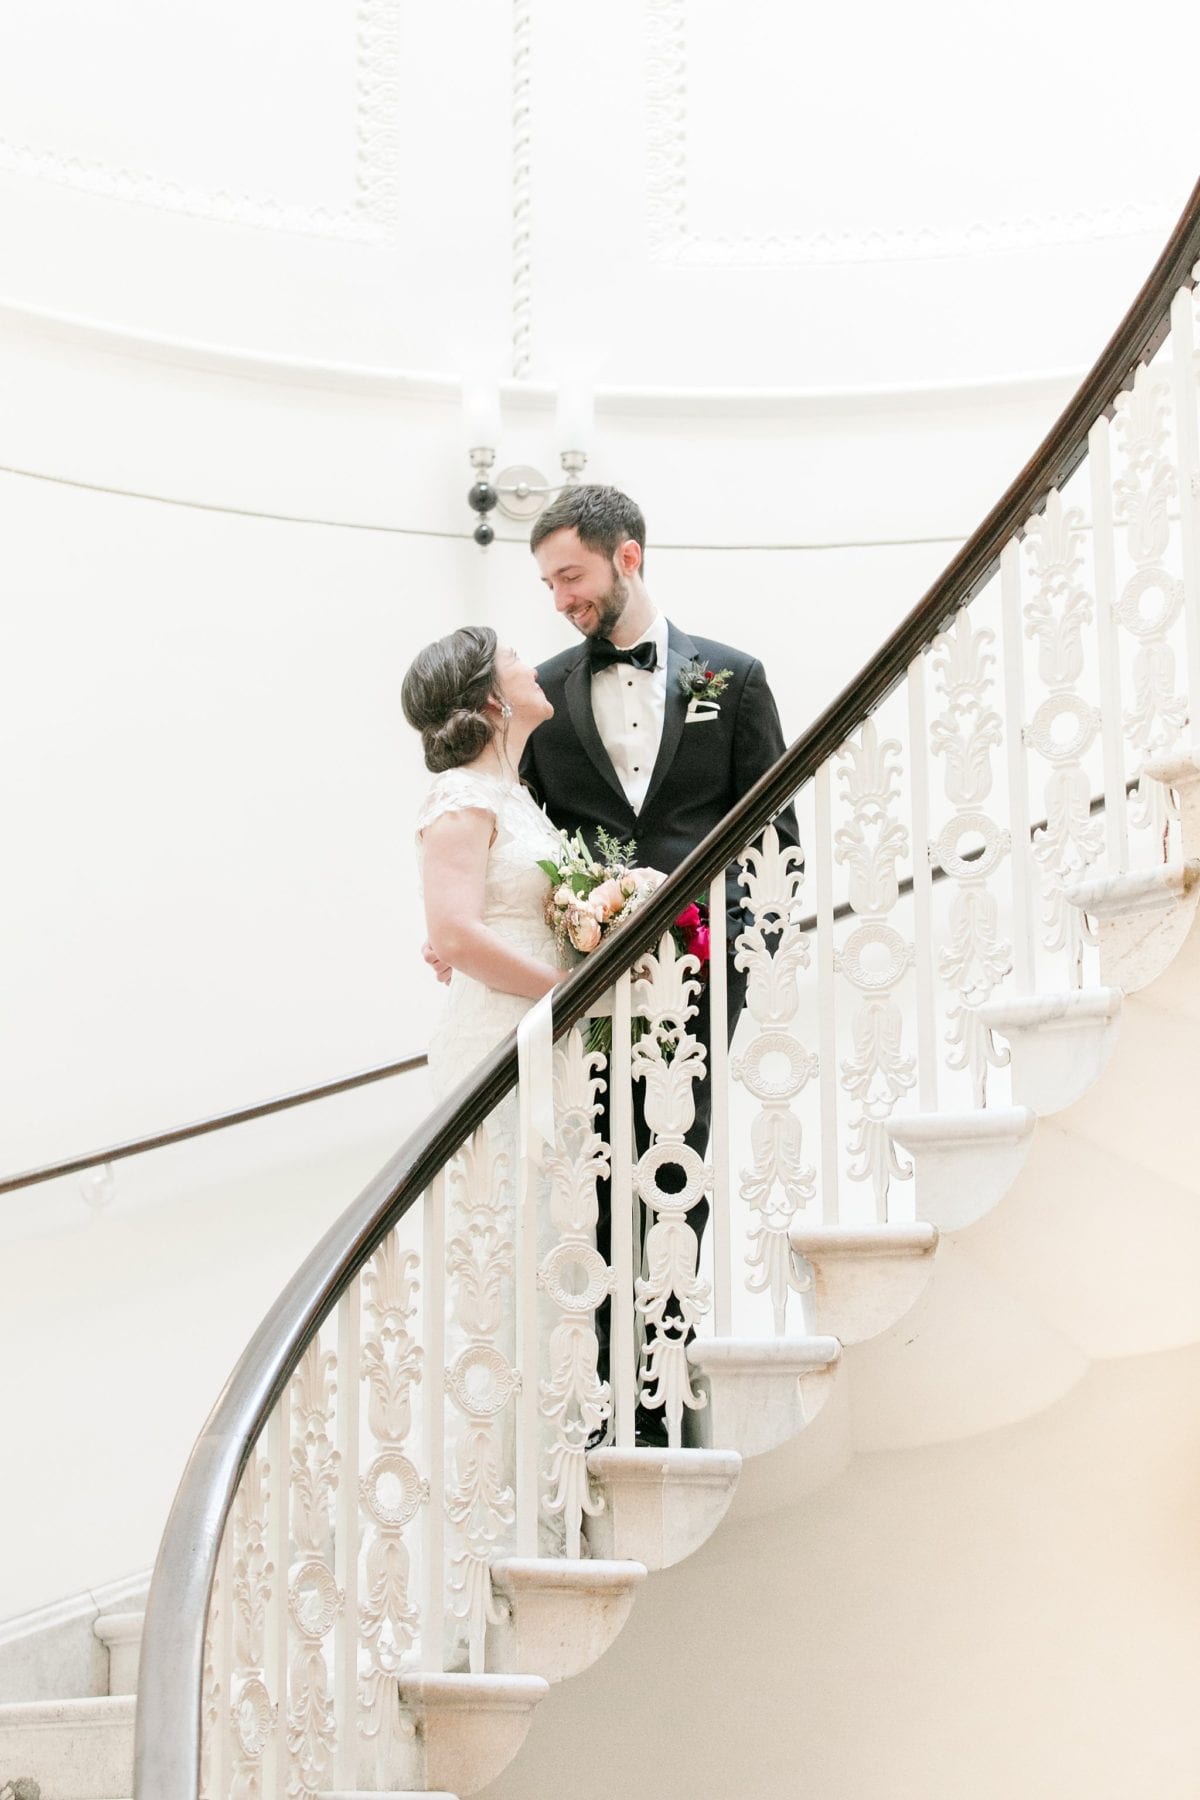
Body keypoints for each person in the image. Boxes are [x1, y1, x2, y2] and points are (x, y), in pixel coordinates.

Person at [521, 483, 796, 1444]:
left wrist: (738, 973)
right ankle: (606, 1403)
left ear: (626, 557)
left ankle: (666, 1386)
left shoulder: (735, 677)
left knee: (679, 1170)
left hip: (701, 975)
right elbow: (530, 843)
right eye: (549, 583)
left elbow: (776, 838)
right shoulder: (546, 694)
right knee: (600, 1179)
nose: (560, 598)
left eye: (572, 575)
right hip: (596, 984)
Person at [403, 625, 564, 1101]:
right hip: (500, 1037)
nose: (534, 670)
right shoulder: (461, 794)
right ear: (492, 695)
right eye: (516, 659)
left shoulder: (514, 795)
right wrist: (570, 990)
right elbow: (454, 934)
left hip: (542, 1027)